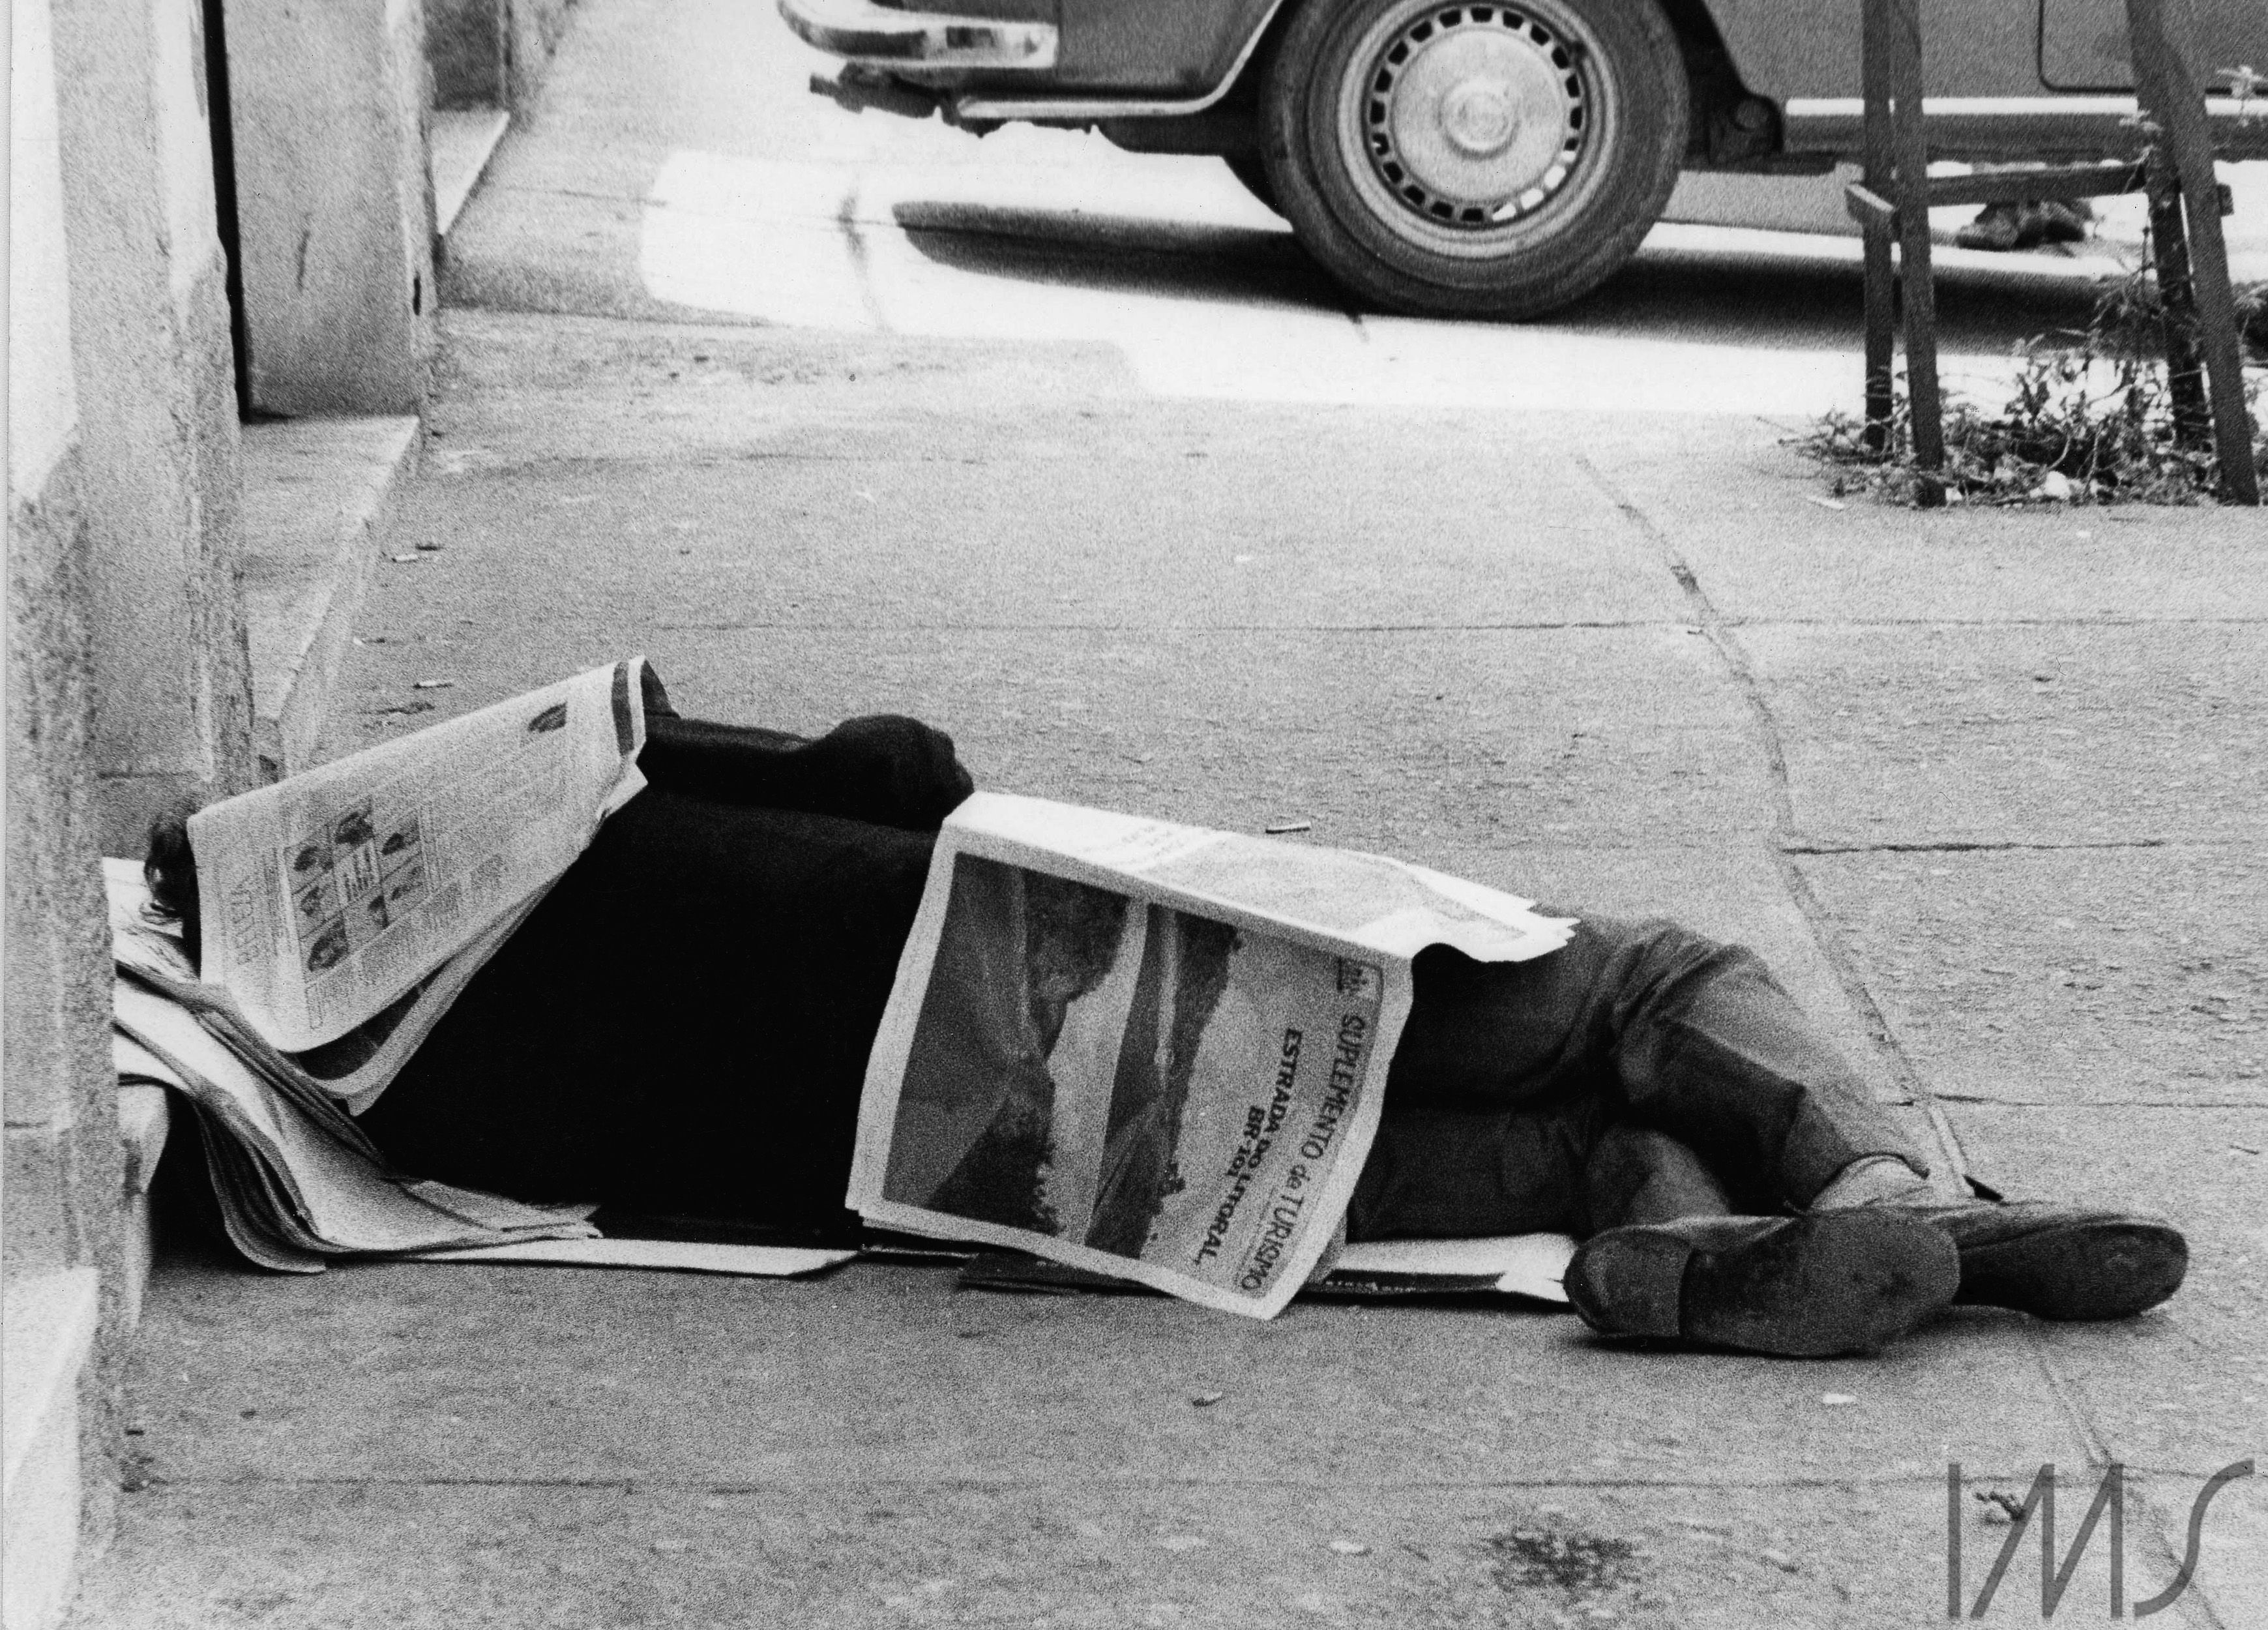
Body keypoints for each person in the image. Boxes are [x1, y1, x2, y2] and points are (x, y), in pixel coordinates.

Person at [143, 681, 2185, 1359]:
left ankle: (1679, 1231)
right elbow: (904, 766)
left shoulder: (396, 1115)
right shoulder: (597, 804)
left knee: (1553, 1150)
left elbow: (621, 1193)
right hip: (1111, 958)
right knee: (1639, 983)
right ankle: (1892, 1183)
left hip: (1016, 1176)